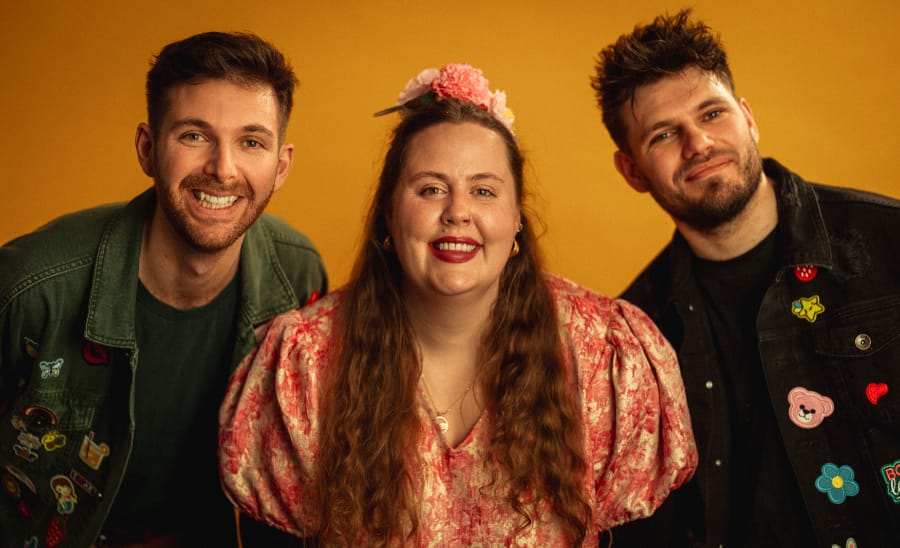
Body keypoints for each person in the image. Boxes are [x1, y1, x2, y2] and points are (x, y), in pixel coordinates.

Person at [218, 62, 697, 546]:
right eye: (431, 189)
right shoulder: (304, 364)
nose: (458, 212)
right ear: (389, 214)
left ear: (516, 217)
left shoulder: (602, 356)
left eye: (483, 191)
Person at [0, 31, 327, 547]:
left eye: (251, 142)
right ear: (148, 149)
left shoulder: (299, 277)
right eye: (194, 136)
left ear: (280, 165)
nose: (223, 169)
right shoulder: (31, 288)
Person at [591, 9, 900, 548]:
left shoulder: (888, 241)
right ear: (632, 170)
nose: (698, 144)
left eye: (712, 113)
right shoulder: (633, 337)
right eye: (664, 134)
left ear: (748, 118)